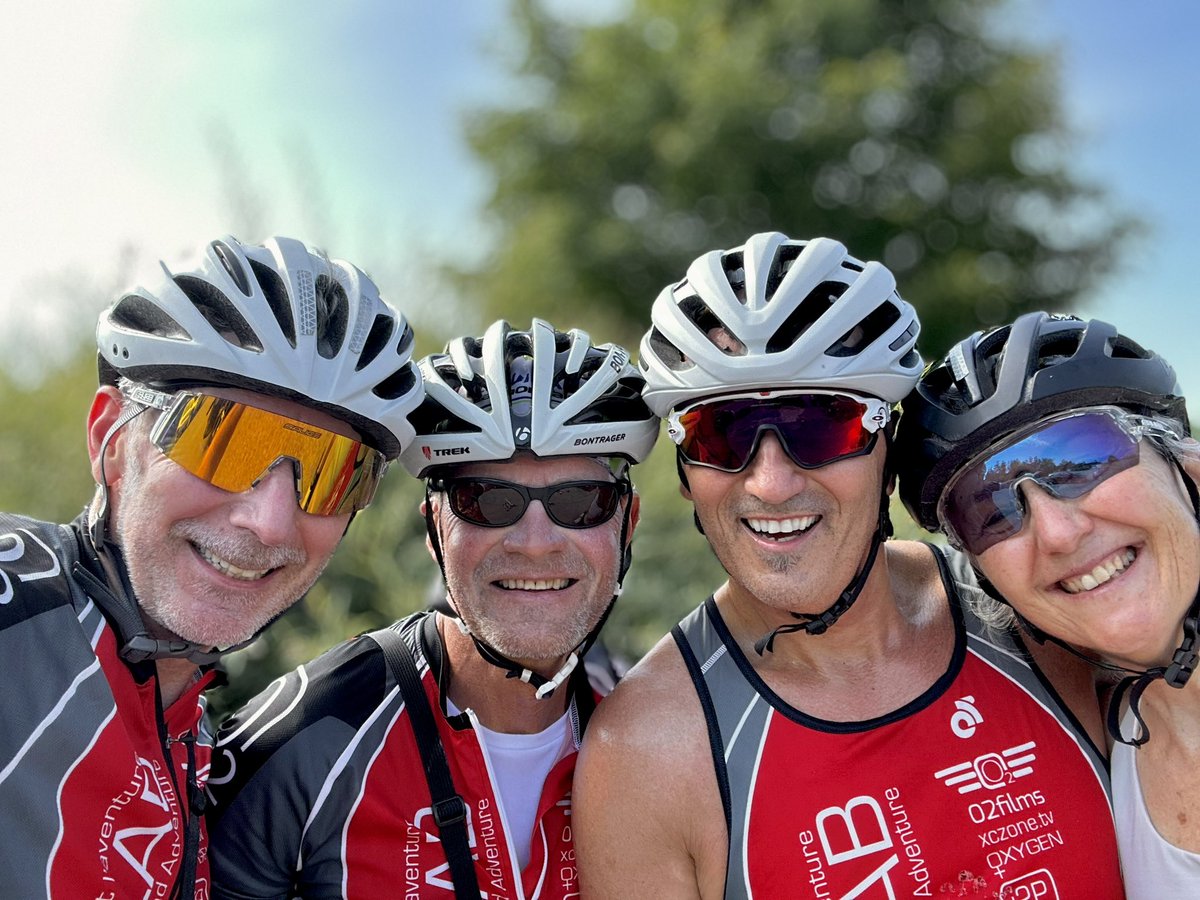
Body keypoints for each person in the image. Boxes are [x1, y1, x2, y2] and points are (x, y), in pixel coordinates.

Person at [574, 233, 1125, 899]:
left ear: (886, 449)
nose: (771, 484)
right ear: (687, 472)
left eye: (820, 426)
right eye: (721, 435)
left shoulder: (1032, 609)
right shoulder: (643, 752)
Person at [0, 235, 422, 899]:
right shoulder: (14, 615)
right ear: (110, 438)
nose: (272, 521)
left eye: (332, 475)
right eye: (223, 439)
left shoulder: (184, 720)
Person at [206, 318, 659, 898]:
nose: (535, 541)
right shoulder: (301, 739)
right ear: (434, 530)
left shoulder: (663, 724)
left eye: (580, 501)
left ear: (629, 526)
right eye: (487, 501)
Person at [895, 311, 1200, 896]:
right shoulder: (1103, 749)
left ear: (1185, 465)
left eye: (1082, 460)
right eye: (990, 512)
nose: (1058, 533)